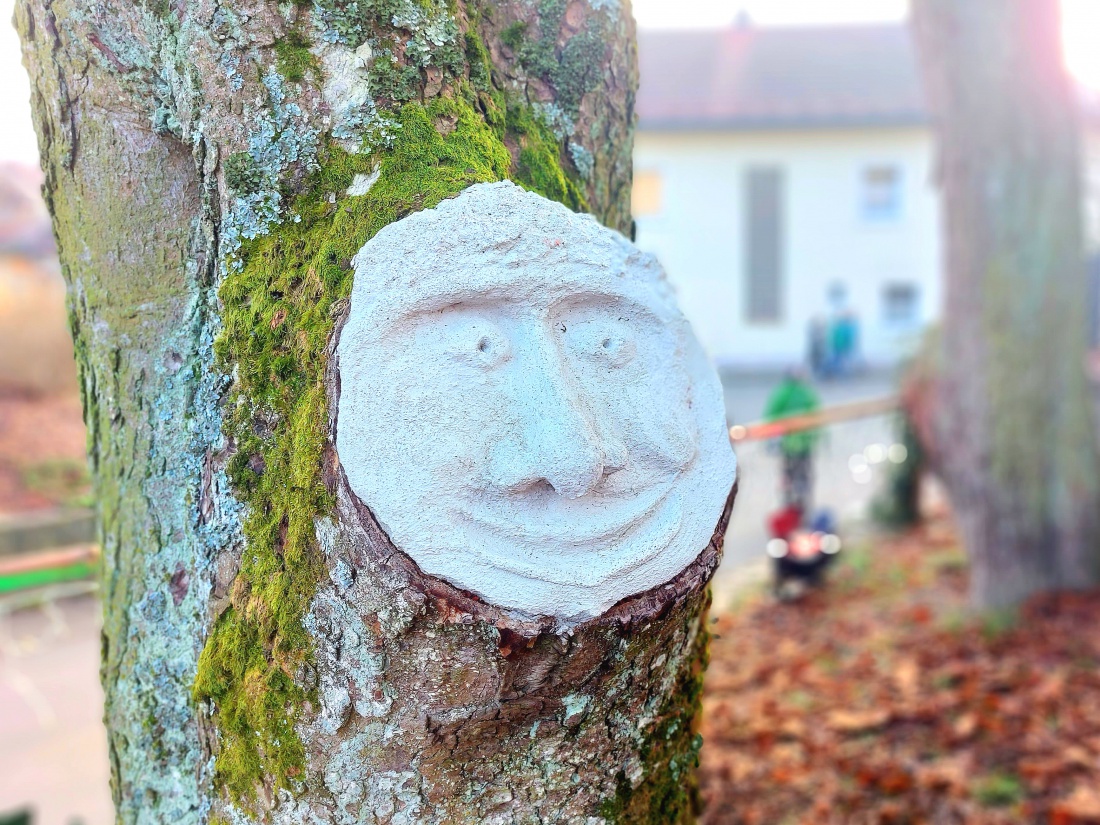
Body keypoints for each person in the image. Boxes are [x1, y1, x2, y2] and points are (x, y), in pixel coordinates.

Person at [764, 369, 821, 514]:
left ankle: (790, 507)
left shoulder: (782, 394)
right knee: (803, 477)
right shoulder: (806, 393)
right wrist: (817, 437)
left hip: (788, 446)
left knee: (789, 477)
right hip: (803, 445)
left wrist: (771, 440)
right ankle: (802, 506)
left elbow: (772, 416)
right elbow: (817, 417)